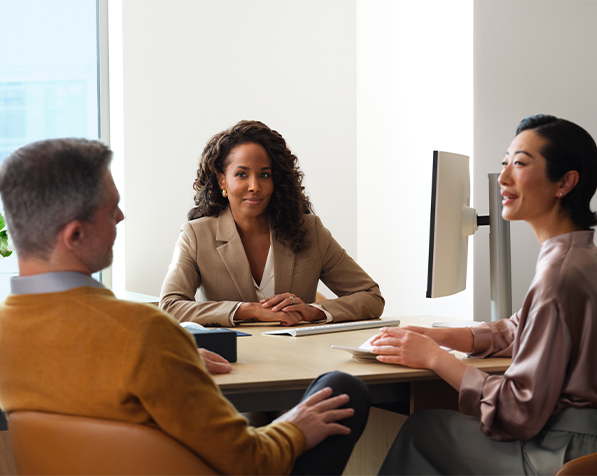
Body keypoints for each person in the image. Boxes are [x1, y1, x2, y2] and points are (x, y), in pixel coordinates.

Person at [0, 138, 371, 475]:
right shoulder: (143, 333)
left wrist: (180, 355)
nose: (120, 217)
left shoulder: (7, 333)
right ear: (75, 235)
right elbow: (251, 462)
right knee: (340, 388)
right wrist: (296, 426)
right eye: (110, 207)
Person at [372, 114, 597, 475]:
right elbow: (521, 327)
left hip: (562, 452)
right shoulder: (580, 257)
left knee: (422, 430)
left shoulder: (559, 275)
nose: (504, 178)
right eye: (504, 163)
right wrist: (443, 337)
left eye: (520, 164)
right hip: (584, 444)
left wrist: (435, 358)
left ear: (565, 182)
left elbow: (518, 411)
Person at [160, 120, 384, 327]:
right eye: (241, 174)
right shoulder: (196, 235)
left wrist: (315, 311)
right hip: (234, 361)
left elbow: (370, 295)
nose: (254, 186)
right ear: (222, 180)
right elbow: (170, 306)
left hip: (299, 358)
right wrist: (246, 310)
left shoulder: (308, 230)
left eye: (264, 175)